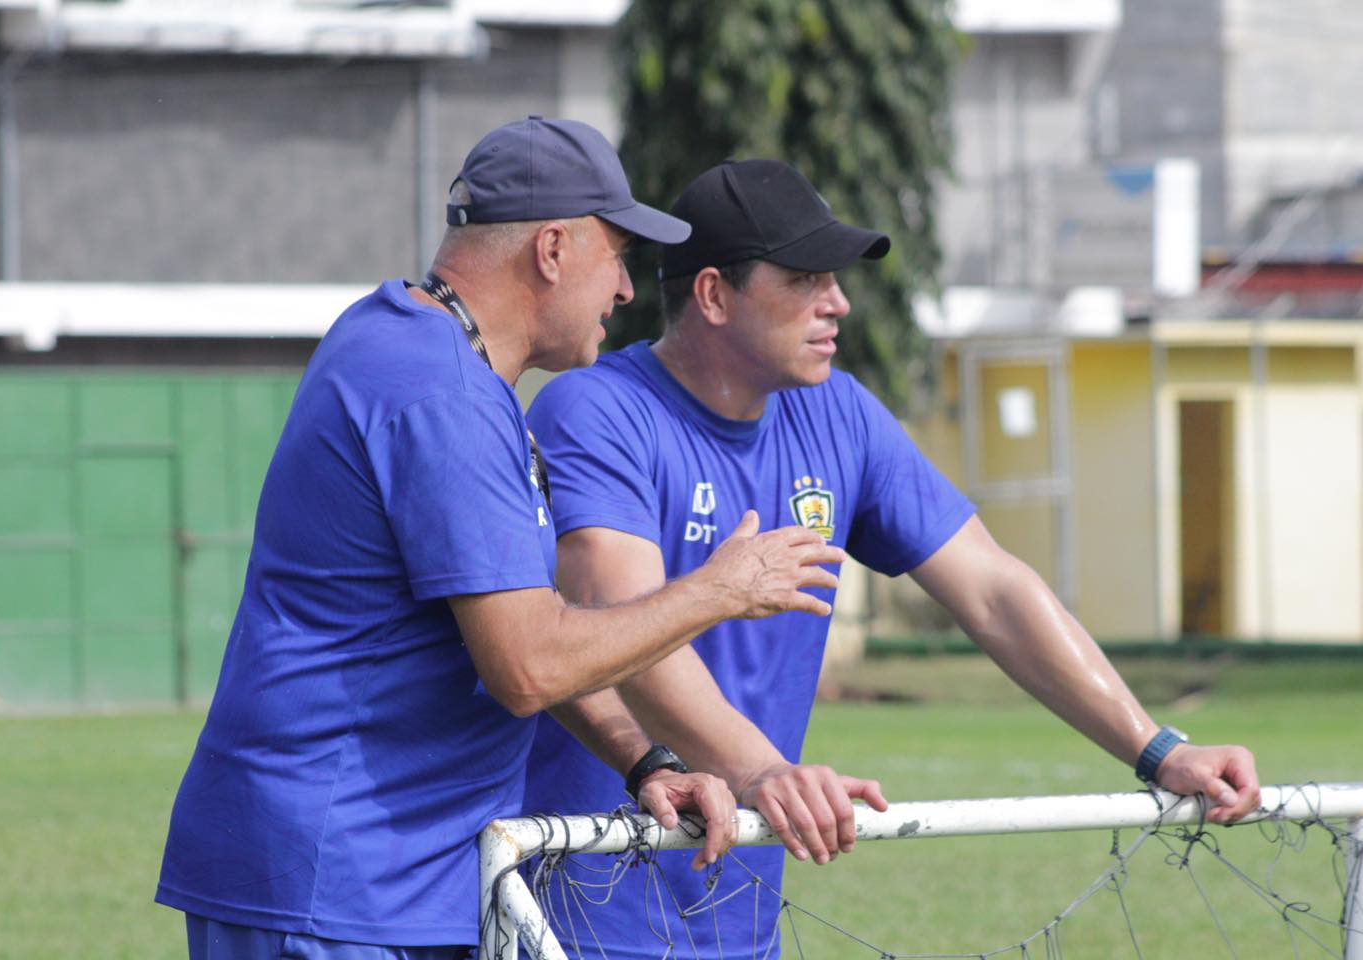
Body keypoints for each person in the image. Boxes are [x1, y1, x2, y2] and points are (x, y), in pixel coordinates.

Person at [521, 159, 1262, 960]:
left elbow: (992, 590)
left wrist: (1157, 749)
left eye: (835, 280)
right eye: (806, 279)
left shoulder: (838, 411)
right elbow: (626, 638)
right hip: (583, 908)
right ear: (712, 295)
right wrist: (765, 771)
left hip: (742, 910)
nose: (837, 303)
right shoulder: (595, 410)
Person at [154, 122, 847, 960]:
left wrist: (643, 763)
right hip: (336, 888)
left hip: (387, 884)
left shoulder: (416, 350)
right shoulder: (439, 388)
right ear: (552, 248)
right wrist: (719, 590)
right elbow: (529, 668)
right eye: (618, 253)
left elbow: (525, 623)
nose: (627, 290)